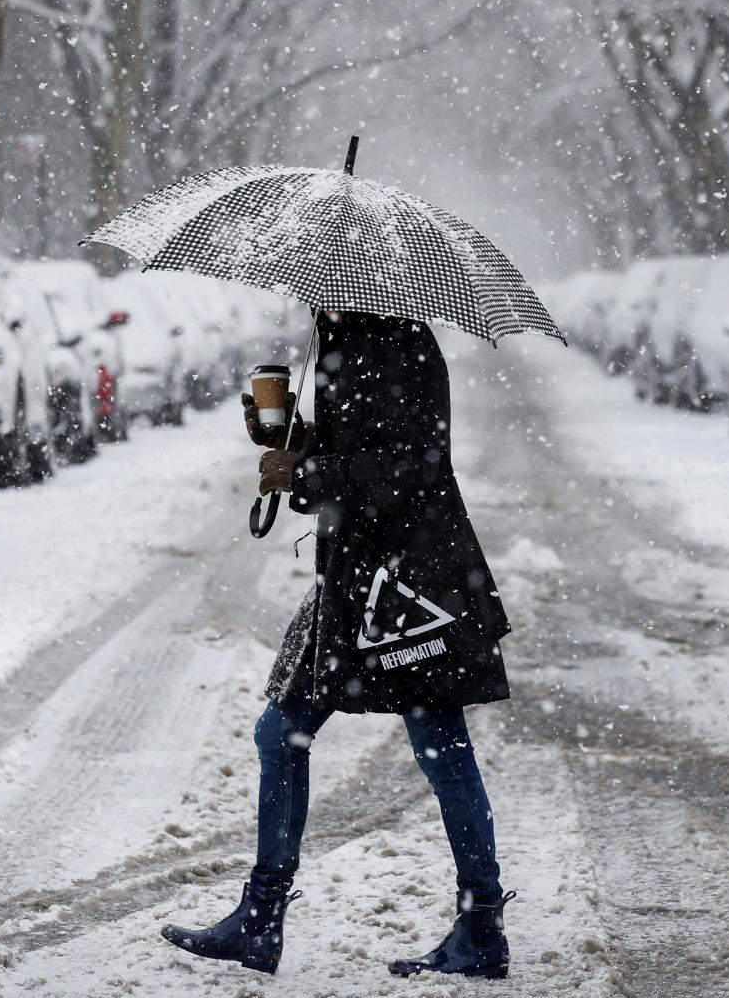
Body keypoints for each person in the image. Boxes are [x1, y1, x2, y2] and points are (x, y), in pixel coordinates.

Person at [160, 310, 515, 978]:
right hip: (355, 577)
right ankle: (262, 919)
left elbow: (415, 464)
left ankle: (481, 924)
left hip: (409, 586)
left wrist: (309, 472)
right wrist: (292, 437)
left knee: (442, 748)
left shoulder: (397, 338)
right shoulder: (343, 335)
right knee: (280, 730)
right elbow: (364, 448)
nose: (302, 291)